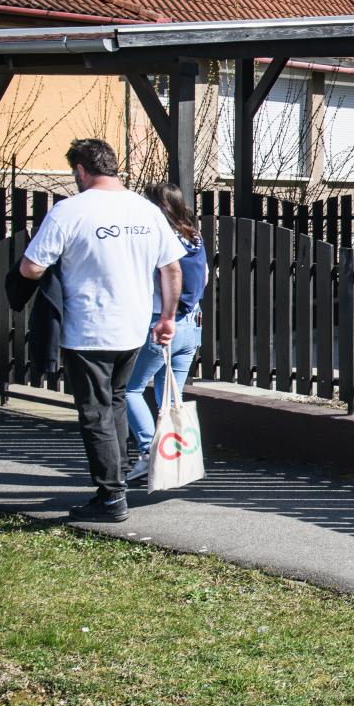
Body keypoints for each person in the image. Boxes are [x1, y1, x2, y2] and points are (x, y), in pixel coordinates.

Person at [20, 139, 185, 522]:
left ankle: (111, 497)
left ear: (81, 170)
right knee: (116, 402)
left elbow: (31, 267)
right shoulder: (146, 210)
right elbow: (172, 268)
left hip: (88, 329)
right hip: (133, 327)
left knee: (95, 412)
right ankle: (118, 480)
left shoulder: (69, 211)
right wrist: (167, 318)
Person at [124, 183, 207, 485]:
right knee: (170, 395)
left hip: (163, 324)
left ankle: (151, 452)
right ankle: (174, 457)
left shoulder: (159, 238)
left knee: (128, 390)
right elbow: (204, 277)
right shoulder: (194, 236)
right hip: (192, 324)